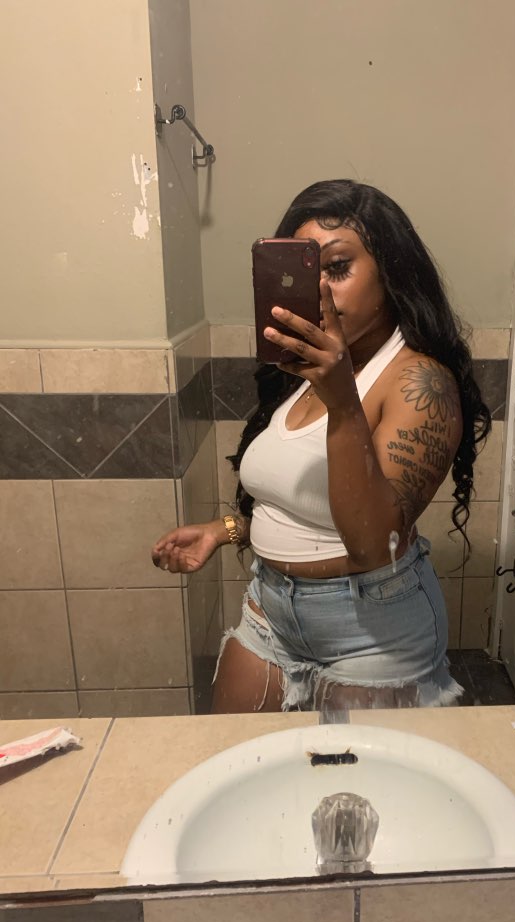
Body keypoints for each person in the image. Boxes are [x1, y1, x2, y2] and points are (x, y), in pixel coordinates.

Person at [152, 179, 491, 713]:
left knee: (349, 774)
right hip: (269, 611)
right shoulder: (316, 366)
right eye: (306, 273)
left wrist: (343, 402)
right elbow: (303, 495)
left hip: (373, 632)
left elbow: (374, 547)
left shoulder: (420, 383)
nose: (319, 291)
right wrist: (227, 528)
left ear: (392, 273)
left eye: (336, 268)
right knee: (237, 757)